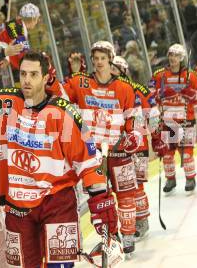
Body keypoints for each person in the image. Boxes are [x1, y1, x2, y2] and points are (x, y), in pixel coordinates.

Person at [0, 50, 118, 267]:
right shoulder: (3, 104)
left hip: (57, 202)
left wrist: (100, 203)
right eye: (23, 74)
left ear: (46, 78)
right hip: (17, 205)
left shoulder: (64, 113)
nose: (27, 80)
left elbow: (88, 161)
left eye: (34, 75)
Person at [48, 41, 140, 254]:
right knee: (100, 199)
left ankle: (128, 234)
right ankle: (111, 234)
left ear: (110, 59)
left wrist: (133, 136)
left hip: (118, 150)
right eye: (95, 58)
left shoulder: (125, 88)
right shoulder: (80, 82)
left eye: (102, 58)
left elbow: (132, 119)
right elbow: (60, 96)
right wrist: (51, 76)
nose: (99, 63)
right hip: (92, 154)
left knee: (125, 194)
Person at [111, 56, 165, 240]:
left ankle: (142, 221)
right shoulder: (106, 90)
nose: (111, 73)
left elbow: (154, 116)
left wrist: (158, 138)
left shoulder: (139, 90)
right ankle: (128, 224)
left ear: (123, 71)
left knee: (137, 186)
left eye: (115, 70)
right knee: (122, 189)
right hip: (116, 148)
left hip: (138, 145)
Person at [150, 44, 197, 193]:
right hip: (168, 122)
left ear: (182, 58)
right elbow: (150, 95)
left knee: (186, 153)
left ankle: (190, 178)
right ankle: (170, 179)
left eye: (176, 55)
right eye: (171, 55)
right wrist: (160, 94)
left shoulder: (191, 75)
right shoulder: (159, 75)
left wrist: (191, 94)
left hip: (186, 120)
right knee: (167, 154)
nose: (173, 58)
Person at [0, 3, 41, 71]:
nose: (37, 22)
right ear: (32, 19)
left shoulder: (15, 23)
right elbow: (22, 61)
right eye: (37, 19)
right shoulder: (19, 32)